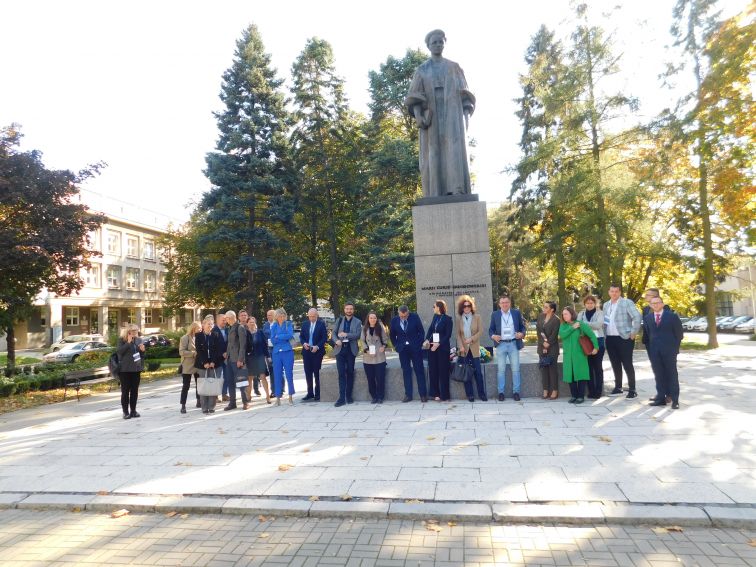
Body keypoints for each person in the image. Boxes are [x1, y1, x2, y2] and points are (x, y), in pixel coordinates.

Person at [405, 29, 476, 198]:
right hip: (432, 117)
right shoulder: (422, 70)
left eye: (440, 41)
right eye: (434, 42)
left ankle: (457, 189)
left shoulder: (454, 67)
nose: (437, 45)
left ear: (444, 43)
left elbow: (465, 95)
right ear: (428, 46)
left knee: (454, 149)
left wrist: (466, 114)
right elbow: (414, 96)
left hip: (452, 114)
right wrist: (419, 116)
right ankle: (434, 192)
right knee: (433, 152)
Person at [603, 284, 641, 398]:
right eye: (612, 291)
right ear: (609, 292)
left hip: (624, 338)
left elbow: (637, 316)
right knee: (615, 363)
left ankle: (632, 389)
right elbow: (605, 321)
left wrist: (634, 332)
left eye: (616, 291)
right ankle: (618, 387)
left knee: (627, 364)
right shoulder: (606, 305)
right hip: (610, 338)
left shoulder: (626, 302)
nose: (614, 293)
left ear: (620, 293)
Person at [645, 296, 683, 409]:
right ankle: (661, 398)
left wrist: (675, 349)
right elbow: (648, 335)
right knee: (659, 375)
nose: (655, 305)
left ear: (662, 304)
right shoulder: (648, 318)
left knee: (672, 374)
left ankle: (675, 400)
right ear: (650, 305)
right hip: (655, 352)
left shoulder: (672, 316)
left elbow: (679, 334)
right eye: (653, 303)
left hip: (669, 351)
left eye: (658, 303)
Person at [488, 296, 527, 401]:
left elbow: (523, 327)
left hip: (514, 344)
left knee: (516, 369)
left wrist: (522, 334)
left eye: (506, 302)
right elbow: (490, 330)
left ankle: (516, 392)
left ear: (510, 303)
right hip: (501, 345)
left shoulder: (516, 313)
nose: (504, 304)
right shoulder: (495, 314)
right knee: (501, 370)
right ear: (499, 304)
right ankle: (501, 392)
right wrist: (493, 336)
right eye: (502, 302)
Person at [559, 307, 598, 404]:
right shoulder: (563, 325)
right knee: (570, 376)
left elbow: (591, 335)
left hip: (579, 355)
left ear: (572, 314)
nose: (564, 316)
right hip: (568, 355)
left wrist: (596, 347)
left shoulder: (580, 324)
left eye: (566, 314)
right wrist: (572, 328)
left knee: (581, 375)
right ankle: (574, 395)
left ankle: (580, 396)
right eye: (563, 314)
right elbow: (562, 335)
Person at [390, 305, 427, 403]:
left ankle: (423, 395)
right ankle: (408, 395)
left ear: (408, 312)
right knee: (406, 371)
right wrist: (397, 346)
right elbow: (392, 335)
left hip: (415, 348)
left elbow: (421, 332)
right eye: (401, 316)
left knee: (419, 370)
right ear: (398, 313)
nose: (403, 318)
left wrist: (418, 344)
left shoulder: (415, 317)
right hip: (403, 350)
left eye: (405, 316)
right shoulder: (394, 320)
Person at [641, 288, 672, 404]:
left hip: (664, 345)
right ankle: (661, 393)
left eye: (648, 295)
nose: (646, 297)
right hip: (650, 344)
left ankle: (669, 394)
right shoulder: (645, 310)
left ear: (656, 296)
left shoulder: (666, 309)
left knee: (665, 369)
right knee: (656, 369)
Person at [456, 295, 487, 402]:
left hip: (474, 349)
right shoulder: (459, 319)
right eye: (464, 306)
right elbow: (458, 335)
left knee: (478, 372)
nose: (467, 308)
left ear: (471, 306)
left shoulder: (477, 317)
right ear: (461, 307)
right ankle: (470, 395)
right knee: (466, 373)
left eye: (468, 305)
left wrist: (472, 339)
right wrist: (461, 346)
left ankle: (482, 394)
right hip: (464, 350)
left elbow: (480, 331)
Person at [332, 302, 362, 407]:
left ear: (353, 310)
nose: (349, 311)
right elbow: (333, 334)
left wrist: (346, 335)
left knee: (350, 372)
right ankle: (341, 398)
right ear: (344, 310)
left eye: (351, 309)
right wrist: (336, 341)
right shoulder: (339, 320)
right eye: (347, 309)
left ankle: (348, 396)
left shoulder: (358, 322)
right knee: (341, 373)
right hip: (340, 350)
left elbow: (358, 335)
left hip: (351, 350)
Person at [423, 300, 453, 401]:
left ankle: (445, 395)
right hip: (432, 347)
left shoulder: (448, 319)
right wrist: (427, 339)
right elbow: (431, 330)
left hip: (443, 348)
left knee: (443, 371)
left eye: (434, 306)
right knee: (433, 371)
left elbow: (447, 335)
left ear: (439, 307)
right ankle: (435, 393)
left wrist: (438, 344)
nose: (433, 308)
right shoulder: (435, 317)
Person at [195, 316, 224, 414]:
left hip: (214, 364)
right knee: (204, 386)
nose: (210, 326)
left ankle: (211, 406)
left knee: (212, 386)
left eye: (212, 324)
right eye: (208, 324)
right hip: (202, 365)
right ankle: (204, 407)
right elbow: (199, 350)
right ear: (203, 325)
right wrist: (205, 362)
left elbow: (217, 350)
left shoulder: (216, 335)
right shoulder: (198, 336)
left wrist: (212, 362)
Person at [578, 295, 605, 399]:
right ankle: (591, 391)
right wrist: (589, 324)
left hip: (598, 341)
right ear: (584, 304)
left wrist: (584, 324)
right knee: (588, 368)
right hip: (586, 342)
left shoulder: (600, 313)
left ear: (595, 303)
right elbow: (577, 324)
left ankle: (598, 392)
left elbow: (598, 325)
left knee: (598, 367)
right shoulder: (581, 313)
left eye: (591, 303)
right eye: (587, 303)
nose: (589, 305)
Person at [117, 324, 145, 419]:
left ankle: (133, 410)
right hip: (124, 370)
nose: (135, 332)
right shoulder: (122, 340)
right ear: (128, 331)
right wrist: (128, 343)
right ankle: (125, 412)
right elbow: (120, 352)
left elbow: (140, 355)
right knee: (125, 391)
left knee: (134, 391)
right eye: (133, 331)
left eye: (136, 331)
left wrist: (142, 351)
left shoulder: (138, 340)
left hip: (136, 369)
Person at [300, 308, 327, 402]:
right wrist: (304, 343)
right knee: (308, 373)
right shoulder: (305, 324)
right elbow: (301, 336)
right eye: (310, 316)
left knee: (316, 372)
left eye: (313, 316)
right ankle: (310, 393)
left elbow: (324, 338)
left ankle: (318, 393)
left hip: (317, 352)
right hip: (306, 352)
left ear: (317, 315)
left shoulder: (321, 324)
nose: (311, 318)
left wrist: (318, 346)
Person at [222, 310, 248, 411]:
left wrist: (240, 359)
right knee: (230, 382)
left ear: (231, 318)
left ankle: (245, 402)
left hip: (237, 359)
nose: (225, 321)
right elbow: (230, 344)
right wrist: (226, 354)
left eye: (226, 319)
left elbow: (243, 345)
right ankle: (232, 403)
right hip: (229, 360)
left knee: (241, 381)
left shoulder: (240, 327)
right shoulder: (230, 328)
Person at [270, 308, 295, 406]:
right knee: (277, 375)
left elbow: (289, 335)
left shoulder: (288, 324)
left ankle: (290, 397)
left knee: (289, 374)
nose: (282, 317)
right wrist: (280, 337)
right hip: (276, 353)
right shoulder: (274, 326)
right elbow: (272, 339)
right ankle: (278, 398)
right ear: (276, 316)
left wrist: (278, 336)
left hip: (287, 352)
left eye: (283, 315)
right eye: (280, 316)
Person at [362, 311, 388, 403]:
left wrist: (383, 347)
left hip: (379, 357)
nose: (373, 319)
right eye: (371, 318)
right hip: (368, 358)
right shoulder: (364, 329)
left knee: (380, 379)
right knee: (370, 379)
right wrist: (367, 350)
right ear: (368, 319)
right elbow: (363, 341)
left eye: (374, 318)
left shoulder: (380, 328)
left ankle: (380, 397)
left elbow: (385, 340)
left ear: (376, 319)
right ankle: (374, 397)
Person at [536, 302, 560, 400]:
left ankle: (554, 390)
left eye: (546, 307)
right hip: (542, 347)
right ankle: (545, 390)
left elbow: (555, 335)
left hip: (552, 347)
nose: (544, 308)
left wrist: (548, 344)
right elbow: (538, 331)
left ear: (552, 309)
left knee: (552, 370)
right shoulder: (541, 316)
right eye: (544, 306)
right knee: (544, 369)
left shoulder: (556, 320)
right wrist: (543, 343)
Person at [245, 316, 271, 404]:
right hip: (250, 358)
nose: (252, 323)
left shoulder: (260, 332)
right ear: (247, 323)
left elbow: (265, 345)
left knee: (263, 376)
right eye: (250, 322)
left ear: (255, 322)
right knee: (249, 378)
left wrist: (268, 356)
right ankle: (248, 397)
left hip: (260, 357)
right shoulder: (245, 333)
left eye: (253, 322)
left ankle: (268, 396)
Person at [178, 321, 201, 413]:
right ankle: (183, 405)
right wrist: (193, 353)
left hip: (198, 364)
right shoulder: (185, 338)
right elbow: (181, 352)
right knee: (186, 386)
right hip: (187, 365)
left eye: (201, 328)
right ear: (193, 328)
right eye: (199, 328)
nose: (200, 330)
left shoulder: (200, 338)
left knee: (199, 384)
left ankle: (199, 401)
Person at [262, 309, 282, 394]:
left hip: (278, 349)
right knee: (271, 370)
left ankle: (281, 388)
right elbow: (263, 337)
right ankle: (274, 390)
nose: (268, 316)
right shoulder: (265, 325)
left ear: (274, 315)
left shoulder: (279, 324)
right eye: (267, 315)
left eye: (270, 315)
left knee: (279, 370)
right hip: (269, 350)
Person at [212, 313, 229, 400]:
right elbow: (213, 346)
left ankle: (224, 394)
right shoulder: (213, 331)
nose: (225, 322)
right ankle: (215, 396)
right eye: (223, 320)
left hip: (227, 358)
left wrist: (227, 352)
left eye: (225, 320)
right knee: (217, 377)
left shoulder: (228, 330)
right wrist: (221, 353)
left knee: (226, 376)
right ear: (217, 320)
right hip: (217, 358)